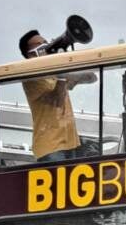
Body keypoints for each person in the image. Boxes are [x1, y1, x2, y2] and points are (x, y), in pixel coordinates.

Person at [18, 30, 97, 162]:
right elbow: (57, 101)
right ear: (30, 53)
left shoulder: (54, 71)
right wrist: (62, 75)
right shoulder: (30, 77)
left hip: (70, 143)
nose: (46, 45)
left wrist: (69, 61)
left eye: (46, 42)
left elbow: (91, 77)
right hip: (50, 147)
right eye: (40, 44)